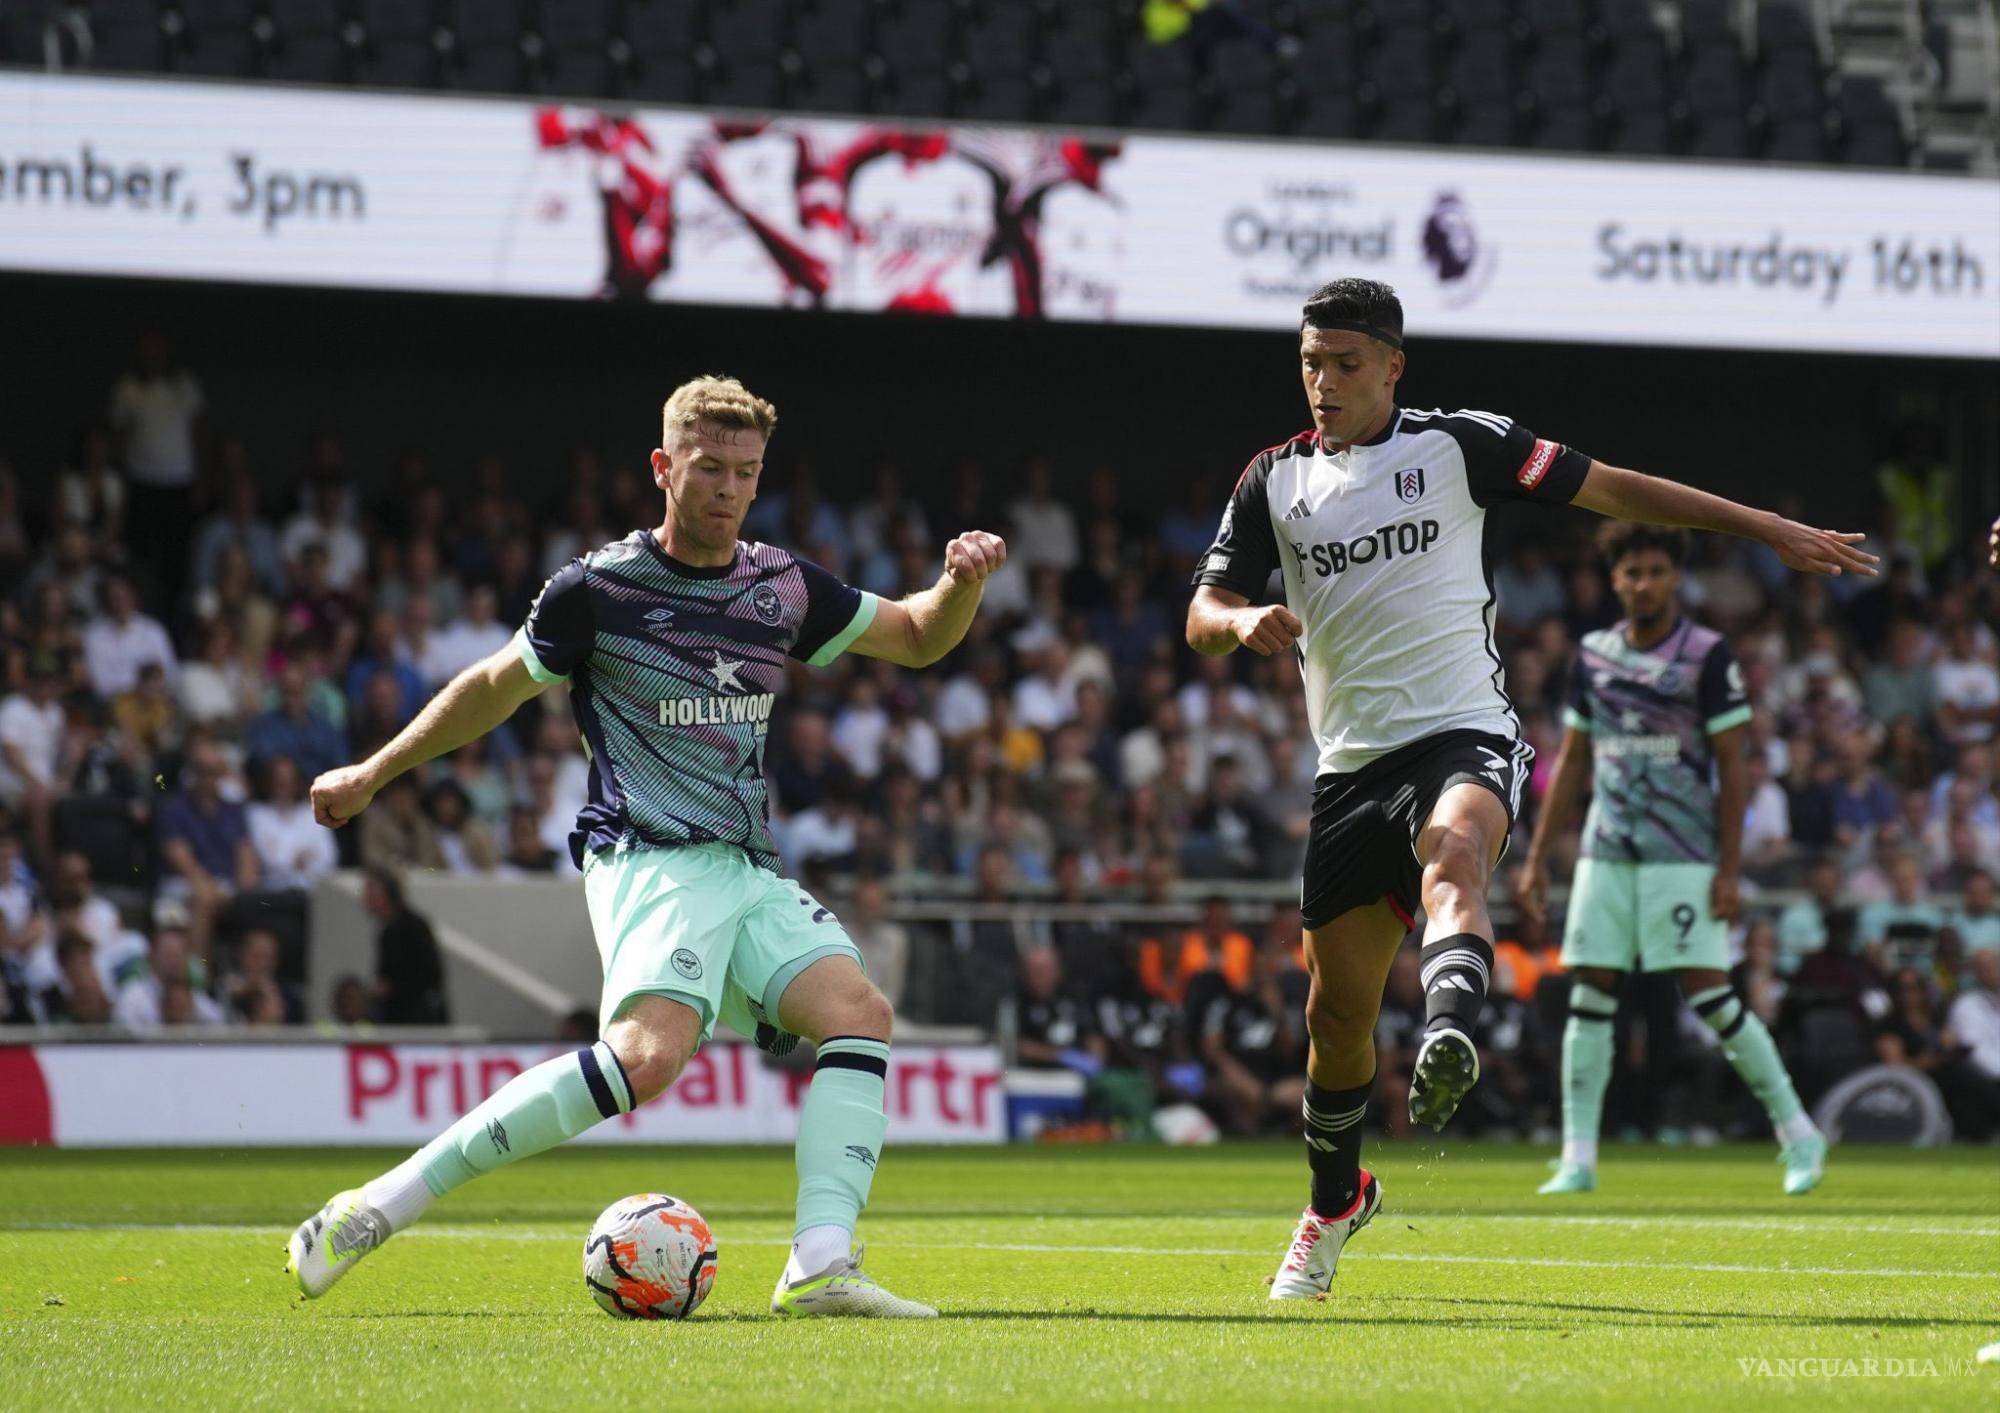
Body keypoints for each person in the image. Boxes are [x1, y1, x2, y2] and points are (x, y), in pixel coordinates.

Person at [1186, 278, 1874, 1300]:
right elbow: (1202, 608)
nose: (1320, 383)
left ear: (1389, 366)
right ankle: (1334, 1201)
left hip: (1461, 730)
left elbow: (1617, 488)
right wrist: (1239, 623)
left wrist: (1761, 526)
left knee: (1453, 857)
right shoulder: (1272, 480)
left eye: (1341, 363)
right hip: (1347, 770)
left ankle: (1452, 1024)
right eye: (1307, 363)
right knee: (1333, 1025)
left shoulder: (1458, 446)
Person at [287, 375, 1006, 1320]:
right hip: (647, 854)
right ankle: (376, 1204)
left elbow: (915, 637)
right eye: (710, 468)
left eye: (746, 473)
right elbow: (494, 687)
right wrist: (372, 773)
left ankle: (821, 1262)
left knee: (859, 1013)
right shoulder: (599, 590)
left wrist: (959, 583)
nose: (729, 489)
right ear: (664, 468)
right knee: (645, 1058)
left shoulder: (778, 584)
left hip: (745, 864)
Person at [1516, 523, 1825, 1198]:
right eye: (1632, 572)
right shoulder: (1593, 654)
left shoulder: (1708, 655)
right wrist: (1538, 855)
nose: (1644, 582)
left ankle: (1798, 1129)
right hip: (1607, 847)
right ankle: (1579, 1155)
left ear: (1673, 578)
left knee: (1709, 992)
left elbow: (1732, 765)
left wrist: (1728, 867)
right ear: (1615, 579)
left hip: (1682, 851)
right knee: (1591, 992)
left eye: (1656, 570)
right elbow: (1572, 760)